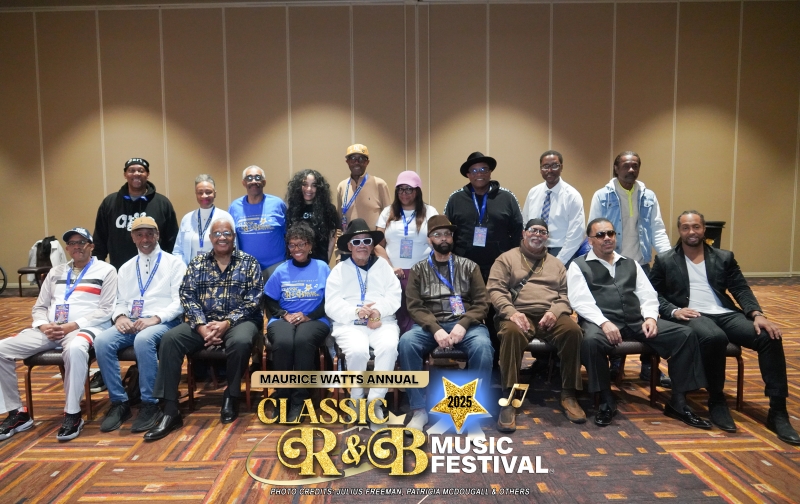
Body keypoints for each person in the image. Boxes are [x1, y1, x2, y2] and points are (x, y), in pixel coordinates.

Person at [649, 211, 800, 445]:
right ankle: (716, 399)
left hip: (726, 313)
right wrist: (674, 310)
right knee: (714, 337)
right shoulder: (665, 260)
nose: (691, 232)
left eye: (696, 227)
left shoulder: (723, 257)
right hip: (692, 314)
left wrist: (757, 314)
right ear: (679, 231)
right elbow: (652, 293)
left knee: (769, 336)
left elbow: (740, 288)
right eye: (686, 227)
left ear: (704, 229)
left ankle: (778, 411)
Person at [567, 218, 711, 429]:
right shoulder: (578, 266)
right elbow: (580, 301)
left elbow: (647, 294)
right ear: (590, 241)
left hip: (636, 321)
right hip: (600, 322)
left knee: (684, 335)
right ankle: (606, 400)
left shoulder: (631, 263)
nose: (607, 238)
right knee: (589, 342)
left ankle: (678, 402)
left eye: (610, 233)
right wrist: (604, 322)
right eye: (600, 235)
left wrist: (651, 317)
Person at [144, 218, 262, 441]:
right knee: (170, 339)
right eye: (217, 234)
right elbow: (187, 295)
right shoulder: (197, 263)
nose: (222, 238)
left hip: (239, 322)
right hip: (203, 323)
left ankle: (231, 395)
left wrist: (227, 323)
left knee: (241, 342)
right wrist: (200, 326)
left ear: (233, 237)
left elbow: (253, 300)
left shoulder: (249, 262)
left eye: (226, 233)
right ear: (210, 238)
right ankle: (170, 410)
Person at [0, 227, 117, 442]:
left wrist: (72, 326)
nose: (76, 247)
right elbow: (39, 307)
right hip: (50, 330)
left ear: (91, 246)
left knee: (75, 349)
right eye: (72, 243)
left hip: (84, 328)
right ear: (67, 248)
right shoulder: (56, 272)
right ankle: (16, 413)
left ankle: (72, 414)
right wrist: (43, 325)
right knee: (1, 350)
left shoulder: (106, 270)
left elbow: (106, 310)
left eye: (81, 242)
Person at [487, 218, 586, 432]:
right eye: (533, 230)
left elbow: (565, 295)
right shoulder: (506, 259)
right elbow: (495, 290)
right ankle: (509, 397)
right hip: (517, 315)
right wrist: (512, 313)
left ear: (547, 237)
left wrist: (555, 312)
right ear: (524, 233)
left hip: (549, 316)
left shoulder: (557, 264)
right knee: (510, 334)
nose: (537, 235)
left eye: (542, 232)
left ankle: (569, 394)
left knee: (573, 331)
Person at [399, 215, 492, 432]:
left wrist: (464, 323)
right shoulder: (418, 269)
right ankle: (419, 410)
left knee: (483, 347)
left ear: (452, 238)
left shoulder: (470, 266)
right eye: (437, 234)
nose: (443, 238)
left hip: (465, 324)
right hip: (428, 325)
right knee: (407, 342)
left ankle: (470, 410)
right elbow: (414, 306)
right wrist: (435, 328)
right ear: (429, 239)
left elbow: (482, 303)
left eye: (447, 234)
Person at [94, 217, 187, 434]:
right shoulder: (126, 268)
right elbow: (120, 301)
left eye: (149, 234)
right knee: (102, 341)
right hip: (133, 321)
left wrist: (155, 318)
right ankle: (119, 402)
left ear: (157, 235)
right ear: (133, 238)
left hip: (165, 321)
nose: (145, 239)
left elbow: (180, 302)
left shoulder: (174, 263)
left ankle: (150, 403)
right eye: (139, 235)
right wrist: (120, 317)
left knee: (143, 340)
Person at [588, 151, 672, 385]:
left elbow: (657, 229)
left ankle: (649, 365)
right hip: (612, 264)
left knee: (647, 313)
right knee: (613, 311)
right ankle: (615, 361)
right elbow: (594, 228)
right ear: (616, 168)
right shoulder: (602, 195)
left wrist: (668, 259)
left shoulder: (648, 196)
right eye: (626, 165)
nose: (631, 170)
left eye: (635, 165)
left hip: (641, 263)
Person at [324, 219, 401, 430]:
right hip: (349, 324)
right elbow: (331, 304)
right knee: (358, 351)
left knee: (389, 347)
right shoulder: (339, 270)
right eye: (356, 242)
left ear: (372, 245)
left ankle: (375, 403)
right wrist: (355, 312)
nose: (362, 245)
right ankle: (356, 400)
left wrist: (378, 311)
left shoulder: (383, 267)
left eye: (367, 241)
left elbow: (394, 296)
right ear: (349, 246)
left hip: (382, 321)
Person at [264, 222, 331, 421]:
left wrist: (309, 316)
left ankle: (299, 400)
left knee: (303, 341)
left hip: (315, 318)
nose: (297, 249)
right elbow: (269, 299)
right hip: (283, 318)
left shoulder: (322, 268)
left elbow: (331, 299)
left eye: (301, 244)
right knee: (284, 342)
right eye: (292, 245)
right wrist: (284, 314)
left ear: (310, 245)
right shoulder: (281, 270)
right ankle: (282, 398)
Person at [375, 171, 439, 333]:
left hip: (422, 273)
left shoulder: (430, 212)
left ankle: (417, 347)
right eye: (400, 189)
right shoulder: (387, 212)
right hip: (393, 273)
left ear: (417, 190)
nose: (404, 193)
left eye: (409, 189)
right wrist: (389, 267)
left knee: (418, 316)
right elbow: (377, 245)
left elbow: (437, 242)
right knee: (396, 316)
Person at [444, 151, 523, 282]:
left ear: (490, 172)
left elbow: (518, 229)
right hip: (464, 264)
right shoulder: (455, 199)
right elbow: (447, 231)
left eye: (483, 169)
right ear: (468, 175)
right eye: (474, 171)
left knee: (497, 295)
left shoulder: (507, 198)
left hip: (500, 264)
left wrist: (513, 259)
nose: (479, 174)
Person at [93, 158, 179, 270]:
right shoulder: (110, 202)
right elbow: (99, 240)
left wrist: (171, 267)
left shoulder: (162, 203)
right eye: (131, 170)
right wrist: (98, 269)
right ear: (125, 174)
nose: (136, 174)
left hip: (156, 270)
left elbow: (172, 240)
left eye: (141, 170)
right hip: (119, 270)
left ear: (147, 174)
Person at [521, 150, 587, 265]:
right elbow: (525, 222)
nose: (550, 170)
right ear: (540, 169)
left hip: (561, 251)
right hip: (534, 249)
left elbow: (576, 234)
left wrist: (559, 261)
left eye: (554, 166)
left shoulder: (572, 196)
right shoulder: (533, 193)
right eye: (545, 166)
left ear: (561, 167)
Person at [228, 165, 287, 272]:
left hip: (276, 266)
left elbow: (288, 234)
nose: (254, 181)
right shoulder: (234, 207)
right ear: (244, 183)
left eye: (258, 177)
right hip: (247, 267)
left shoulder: (277, 204)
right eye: (249, 178)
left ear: (264, 182)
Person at [174, 174, 234, 265]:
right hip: (190, 271)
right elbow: (178, 250)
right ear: (196, 194)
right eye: (200, 192)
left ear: (215, 193)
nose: (204, 196)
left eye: (208, 192)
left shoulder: (225, 217)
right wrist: (184, 270)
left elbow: (233, 248)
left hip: (218, 271)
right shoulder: (187, 219)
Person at [285, 169, 339, 262]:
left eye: (314, 185)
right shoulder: (292, 209)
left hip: (319, 261)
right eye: (305, 184)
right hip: (297, 261)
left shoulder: (328, 209)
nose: (309, 189)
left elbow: (332, 238)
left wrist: (326, 260)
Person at [336, 144, 391, 230]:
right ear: (347, 162)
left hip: (373, 238)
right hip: (349, 238)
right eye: (353, 158)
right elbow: (339, 217)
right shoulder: (342, 186)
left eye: (361, 159)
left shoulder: (380, 184)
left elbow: (389, 217)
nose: (356, 162)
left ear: (367, 162)